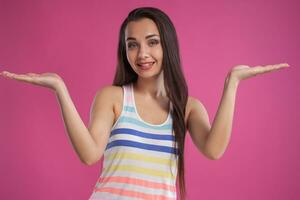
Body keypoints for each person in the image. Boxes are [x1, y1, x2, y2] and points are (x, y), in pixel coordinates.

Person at [0, 6, 289, 200]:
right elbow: (89, 155)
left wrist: (232, 83)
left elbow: (214, 150)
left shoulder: (187, 107)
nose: (142, 54)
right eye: (132, 44)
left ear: (167, 45)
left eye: (152, 42)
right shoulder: (112, 97)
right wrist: (59, 89)